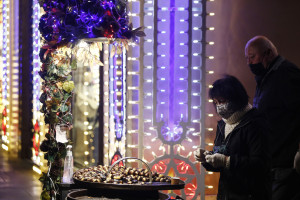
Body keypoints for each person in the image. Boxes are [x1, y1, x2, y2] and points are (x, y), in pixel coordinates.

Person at [194, 75, 271, 200]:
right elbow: (220, 159)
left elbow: (261, 164)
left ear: (235, 98)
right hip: (225, 194)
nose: (219, 106)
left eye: (222, 101)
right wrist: (207, 158)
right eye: (215, 102)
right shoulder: (222, 124)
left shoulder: (255, 123)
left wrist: (227, 161)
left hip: (251, 195)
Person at [245, 36, 300, 200]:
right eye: (246, 58)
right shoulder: (267, 76)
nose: (249, 63)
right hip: (270, 164)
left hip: (284, 164)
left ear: (267, 53)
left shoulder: (286, 74)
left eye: (252, 57)